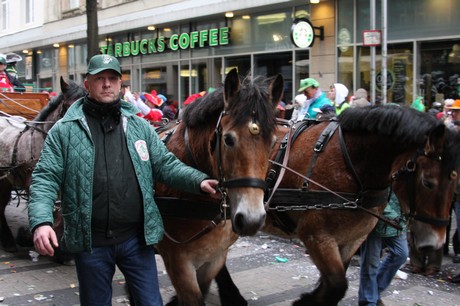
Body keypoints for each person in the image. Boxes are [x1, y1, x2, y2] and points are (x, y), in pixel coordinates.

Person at [28, 54, 219, 306]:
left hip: (136, 240)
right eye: (100, 79)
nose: (107, 84)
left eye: (112, 78)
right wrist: (41, 221)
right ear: (88, 85)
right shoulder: (64, 131)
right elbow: (45, 178)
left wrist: (198, 181)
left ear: (120, 85)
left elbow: (164, 164)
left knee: (151, 303)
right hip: (91, 243)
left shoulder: (139, 127)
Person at [359, 192, 408, 306]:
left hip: (397, 219)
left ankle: (373, 293)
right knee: (370, 263)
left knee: (401, 254)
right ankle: (368, 301)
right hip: (374, 217)